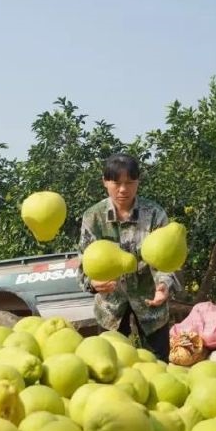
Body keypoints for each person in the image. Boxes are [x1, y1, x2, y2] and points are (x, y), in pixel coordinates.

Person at [77, 153, 178, 360]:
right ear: (105, 182)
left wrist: (164, 285)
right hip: (110, 307)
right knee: (110, 365)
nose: (123, 189)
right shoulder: (93, 217)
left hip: (151, 302)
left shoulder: (154, 214)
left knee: (158, 366)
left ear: (138, 182)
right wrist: (93, 283)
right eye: (116, 182)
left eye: (130, 182)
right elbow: (84, 261)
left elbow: (166, 257)